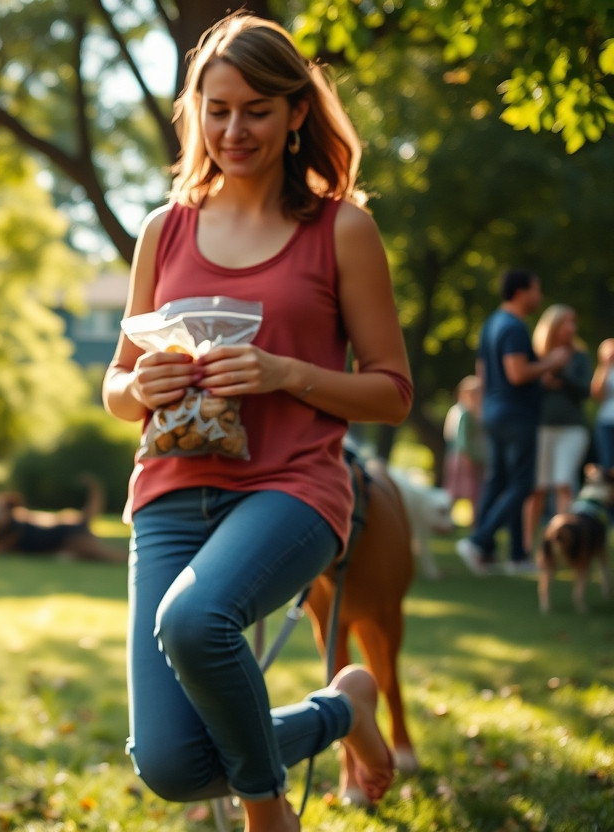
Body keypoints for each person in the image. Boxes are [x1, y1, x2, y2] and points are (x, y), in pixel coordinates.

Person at [100, 14, 408, 831]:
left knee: (195, 621)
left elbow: (392, 391)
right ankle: (343, 711)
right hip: (169, 492)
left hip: (291, 488)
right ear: (195, 111)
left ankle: (268, 814)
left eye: (257, 110)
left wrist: (285, 374)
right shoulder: (162, 231)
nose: (234, 129)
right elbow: (117, 388)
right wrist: (143, 383)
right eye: (218, 108)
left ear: (297, 112)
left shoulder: (340, 228)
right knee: (171, 765)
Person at [456, 269, 571, 576]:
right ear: (521, 292)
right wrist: (551, 362)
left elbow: (483, 370)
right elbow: (517, 373)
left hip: (495, 410)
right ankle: (479, 541)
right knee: (522, 483)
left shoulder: (492, 323)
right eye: (536, 290)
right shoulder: (514, 327)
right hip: (516, 414)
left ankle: (501, 553)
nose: (540, 296)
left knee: (499, 480)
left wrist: (485, 406)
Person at [522, 304, 592, 560]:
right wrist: (544, 377)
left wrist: (560, 372)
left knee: (563, 483)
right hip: (541, 428)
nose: (571, 328)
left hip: (572, 428)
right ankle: (528, 547)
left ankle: (566, 542)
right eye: (566, 322)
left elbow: (586, 391)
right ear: (553, 326)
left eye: (573, 322)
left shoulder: (580, 356)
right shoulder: (535, 355)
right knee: (537, 488)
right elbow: (525, 389)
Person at [442, 375, 486, 522]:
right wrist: (466, 455)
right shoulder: (462, 412)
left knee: (475, 492)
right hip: (463, 457)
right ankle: (445, 519)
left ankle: (475, 522)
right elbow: (458, 437)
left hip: (471, 456)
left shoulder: (475, 412)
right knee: (456, 491)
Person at [594, 338, 614, 475]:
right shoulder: (603, 371)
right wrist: (605, 366)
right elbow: (597, 394)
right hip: (606, 421)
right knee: (608, 463)